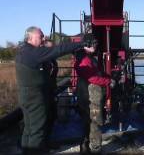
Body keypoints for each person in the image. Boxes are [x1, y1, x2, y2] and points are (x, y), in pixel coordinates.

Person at [16, 26, 94, 154]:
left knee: (29, 129)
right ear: (30, 38)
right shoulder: (32, 53)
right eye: (40, 36)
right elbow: (59, 49)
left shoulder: (23, 51)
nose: (43, 39)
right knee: (37, 130)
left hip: (27, 96)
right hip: (35, 97)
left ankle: (29, 150)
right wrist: (82, 44)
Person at [74, 35, 113, 154]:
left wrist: (109, 77)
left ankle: (85, 147)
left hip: (89, 95)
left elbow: (97, 73)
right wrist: (109, 81)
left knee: (88, 122)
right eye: (94, 43)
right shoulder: (84, 59)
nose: (96, 46)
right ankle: (95, 149)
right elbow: (93, 78)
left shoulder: (89, 58)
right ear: (88, 44)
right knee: (94, 123)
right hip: (89, 96)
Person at [42, 38, 59, 148]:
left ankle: (48, 141)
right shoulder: (42, 60)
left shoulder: (52, 60)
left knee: (53, 116)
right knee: (45, 118)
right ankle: (43, 143)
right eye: (50, 48)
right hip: (44, 93)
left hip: (51, 90)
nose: (52, 50)